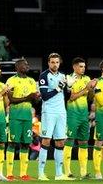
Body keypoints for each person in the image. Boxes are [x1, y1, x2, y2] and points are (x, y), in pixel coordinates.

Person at [37, 53, 72, 181]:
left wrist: (69, 87)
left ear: (59, 63)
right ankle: (41, 173)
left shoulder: (63, 76)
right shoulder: (44, 76)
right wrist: (59, 88)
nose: (55, 64)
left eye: (57, 62)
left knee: (60, 141)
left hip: (61, 112)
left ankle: (59, 174)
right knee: (46, 140)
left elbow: (66, 95)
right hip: (49, 111)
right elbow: (44, 96)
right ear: (48, 63)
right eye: (52, 62)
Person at [5, 58, 39, 181]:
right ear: (17, 67)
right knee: (13, 143)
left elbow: (36, 100)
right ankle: (9, 174)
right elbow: (11, 100)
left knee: (25, 144)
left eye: (27, 64)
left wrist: (36, 97)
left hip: (27, 117)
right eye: (24, 64)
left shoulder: (31, 81)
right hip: (15, 116)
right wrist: (28, 97)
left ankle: (24, 174)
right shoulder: (11, 80)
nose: (27, 66)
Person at [64, 57, 96, 180]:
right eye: (80, 66)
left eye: (84, 66)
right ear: (74, 67)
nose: (83, 68)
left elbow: (90, 97)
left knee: (84, 142)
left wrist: (92, 89)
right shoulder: (68, 79)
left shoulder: (87, 79)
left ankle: (84, 172)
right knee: (70, 141)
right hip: (72, 114)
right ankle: (67, 172)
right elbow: (71, 97)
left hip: (84, 115)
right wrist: (86, 88)